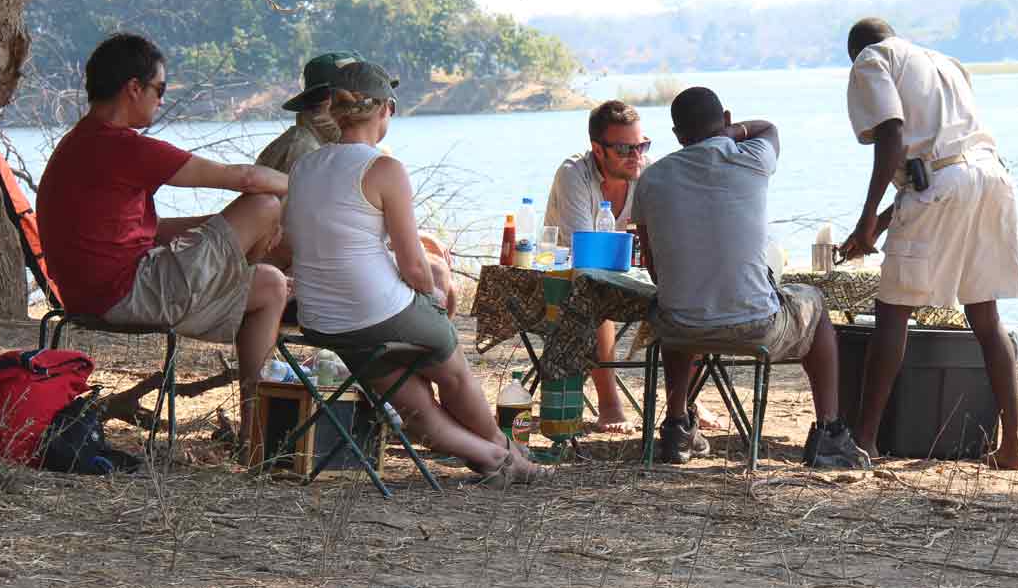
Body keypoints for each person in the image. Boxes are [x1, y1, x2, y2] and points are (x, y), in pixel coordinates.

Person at [285, 61, 545, 484]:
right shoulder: (384, 169)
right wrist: (433, 298)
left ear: (333, 110)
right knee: (452, 370)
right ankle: (507, 451)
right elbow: (412, 265)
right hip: (376, 313)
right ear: (387, 109)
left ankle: (495, 459)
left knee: (415, 401)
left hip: (322, 322)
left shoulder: (304, 167)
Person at [38, 33, 290, 455]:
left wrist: (223, 226)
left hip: (97, 292)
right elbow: (246, 179)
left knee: (270, 285)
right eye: (160, 89)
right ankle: (259, 424)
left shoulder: (79, 143)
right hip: (126, 292)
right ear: (133, 88)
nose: (160, 100)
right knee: (265, 204)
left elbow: (141, 232)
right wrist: (303, 187)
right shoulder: (123, 146)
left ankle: (255, 437)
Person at [632, 87, 871, 469]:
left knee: (678, 302)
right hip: (756, 327)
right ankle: (829, 432)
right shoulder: (752, 157)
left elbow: (654, 264)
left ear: (678, 135)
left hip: (679, 330)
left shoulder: (651, 178)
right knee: (816, 303)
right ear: (725, 119)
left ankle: (677, 426)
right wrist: (734, 133)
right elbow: (769, 128)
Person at [837, 19, 1018, 470]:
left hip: (944, 182)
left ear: (857, 52)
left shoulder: (872, 59)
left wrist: (866, 217)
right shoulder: (944, 61)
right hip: (992, 180)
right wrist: (879, 227)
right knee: (985, 313)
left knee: (892, 312)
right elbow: (936, 166)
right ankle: (1013, 446)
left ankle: (866, 442)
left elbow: (892, 136)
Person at [543, 100, 719, 433]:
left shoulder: (649, 172)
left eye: (641, 145)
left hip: (629, 272)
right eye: (625, 148)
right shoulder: (574, 175)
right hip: (574, 280)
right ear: (598, 149)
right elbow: (586, 251)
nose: (636, 155)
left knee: (692, 293)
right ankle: (609, 405)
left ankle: (686, 406)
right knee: (594, 291)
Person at [258, 51, 458, 315]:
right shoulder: (305, 153)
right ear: (334, 100)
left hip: (319, 269)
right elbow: (309, 238)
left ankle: (409, 349)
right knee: (434, 272)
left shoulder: (329, 148)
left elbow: (341, 223)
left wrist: (416, 237)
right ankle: (422, 348)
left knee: (433, 267)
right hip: (299, 279)